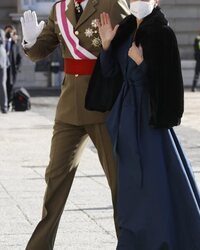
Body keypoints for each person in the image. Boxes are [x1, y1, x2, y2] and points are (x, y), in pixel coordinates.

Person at [85, 1, 200, 249]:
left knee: (156, 184)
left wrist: (141, 67)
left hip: (150, 122)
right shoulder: (124, 31)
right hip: (124, 120)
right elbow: (110, 75)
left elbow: (166, 82)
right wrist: (107, 46)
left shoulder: (162, 33)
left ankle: (161, 239)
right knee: (132, 185)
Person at [20, 0, 130, 249]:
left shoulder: (111, 3)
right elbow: (40, 52)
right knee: (55, 177)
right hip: (69, 108)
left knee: (119, 182)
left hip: (103, 104)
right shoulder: (59, 9)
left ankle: (129, 242)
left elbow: (131, 36)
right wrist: (29, 42)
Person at [4, 25, 22, 106]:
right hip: (3, 68)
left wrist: (17, 67)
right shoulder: (3, 42)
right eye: (8, 31)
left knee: (10, 87)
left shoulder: (14, 44)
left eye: (11, 32)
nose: (9, 33)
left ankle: (7, 104)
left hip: (11, 70)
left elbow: (19, 57)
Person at [0, 29, 8, 114]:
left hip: (1, 64)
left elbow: (2, 42)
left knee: (2, 85)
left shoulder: (1, 32)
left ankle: (4, 106)